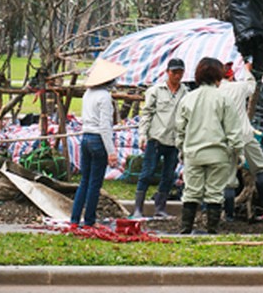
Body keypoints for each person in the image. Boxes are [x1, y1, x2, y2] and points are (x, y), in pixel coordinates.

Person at [175, 56, 243, 234]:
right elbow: (233, 130)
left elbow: (179, 129)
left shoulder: (188, 98)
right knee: (215, 193)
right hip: (218, 155)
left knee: (191, 193)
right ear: (218, 76)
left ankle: (185, 230)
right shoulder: (224, 99)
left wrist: (181, 149)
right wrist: (238, 152)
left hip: (193, 154)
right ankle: (212, 231)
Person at [70, 57, 125, 228]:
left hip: (85, 138)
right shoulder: (104, 97)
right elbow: (105, 127)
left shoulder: (88, 94)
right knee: (95, 183)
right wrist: (111, 152)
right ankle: (89, 221)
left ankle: (74, 219)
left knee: (84, 181)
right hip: (97, 140)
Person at [131, 57, 187, 218]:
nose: (177, 76)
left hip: (175, 140)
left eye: (180, 72)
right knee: (147, 173)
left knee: (169, 175)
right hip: (156, 138)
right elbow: (146, 114)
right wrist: (143, 134)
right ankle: (138, 209)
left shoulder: (185, 93)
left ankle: (160, 208)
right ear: (168, 72)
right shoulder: (156, 90)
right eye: (174, 72)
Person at [219, 61, 263, 220]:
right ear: (231, 75)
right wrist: (248, 69)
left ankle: (228, 216)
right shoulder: (239, 87)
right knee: (261, 167)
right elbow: (252, 85)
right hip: (245, 135)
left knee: (228, 179)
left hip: (226, 138)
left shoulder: (215, 92)